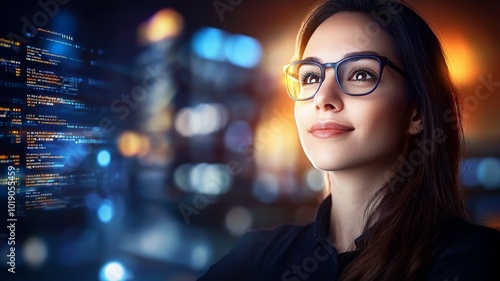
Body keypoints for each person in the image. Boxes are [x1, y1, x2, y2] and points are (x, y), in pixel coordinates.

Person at [197, 0, 500, 280]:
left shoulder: (475, 260)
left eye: (360, 74)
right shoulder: (256, 258)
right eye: (311, 77)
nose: (323, 99)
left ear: (417, 113)